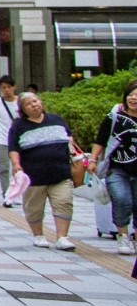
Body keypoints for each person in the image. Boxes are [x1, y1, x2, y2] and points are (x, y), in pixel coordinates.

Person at [11, 89, 79, 251]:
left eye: (36, 101)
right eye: (29, 103)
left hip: (61, 173)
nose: (34, 105)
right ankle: (38, 234)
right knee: (34, 208)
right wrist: (16, 164)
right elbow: (13, 148)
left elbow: (69, 139)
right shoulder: (19, 125)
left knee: (64, 203)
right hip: (34, 176)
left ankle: (62, 237)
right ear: (23, 109)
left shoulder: (56, 119)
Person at [89, 78, 137, 256]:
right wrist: (92, 160)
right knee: (122, 200)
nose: (134, 98)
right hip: (118, 169)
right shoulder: (115, 118)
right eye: (131, 95)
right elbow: (100, 140)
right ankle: (123, 235)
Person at [0, 76, 22, 204]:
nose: (6, 90)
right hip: (2, 139)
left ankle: (17, 193)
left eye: (9, 87)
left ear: (14, 87)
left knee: (19, 168)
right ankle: (7, 194)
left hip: (19, 141)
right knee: (4, 168)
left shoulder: (21, 102)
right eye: (3, 88)